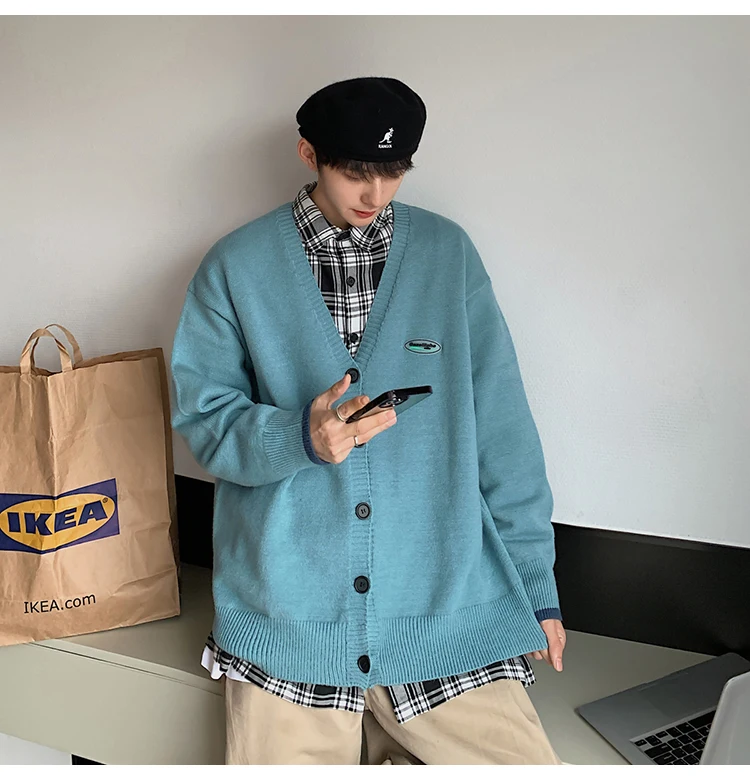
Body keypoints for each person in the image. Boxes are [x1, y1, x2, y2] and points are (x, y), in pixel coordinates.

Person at [170, 76, 567, 765]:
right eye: (356, 171)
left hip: (443, 614)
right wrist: (298, 437)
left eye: (394, 171)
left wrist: (537, 587)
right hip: (291, 622)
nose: (375, 193)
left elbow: (503, 430)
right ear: (308, 154)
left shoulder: (446, 255)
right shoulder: (236, 266)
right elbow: (206, 420)